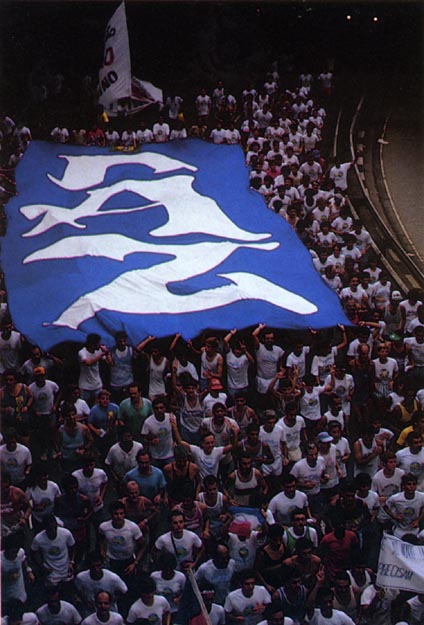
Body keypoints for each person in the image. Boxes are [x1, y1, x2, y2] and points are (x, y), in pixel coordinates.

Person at [98, 500, 145, 579]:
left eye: (121, 513)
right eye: (116, 514)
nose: (119, 516)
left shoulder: (132, 527)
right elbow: (101, 539)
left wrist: (135, 563)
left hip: (128, 560)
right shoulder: (104, 527)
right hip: (112, 561)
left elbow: (143, 545)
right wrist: (102, 550)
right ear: (111, 514)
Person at [31, 514, 75, 585]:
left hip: (66, 569)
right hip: (51, 572)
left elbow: (72, 547)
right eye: (49, 529)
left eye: (54, 528)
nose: (52, 531)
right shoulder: (38, 539)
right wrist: (42, 566)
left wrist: (71, 562)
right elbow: (33, 552)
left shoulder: (66, 534)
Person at [384, 473, 424, 538]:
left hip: (414, 530)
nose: (412, 486)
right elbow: (385, 506)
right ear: (404, 486)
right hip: (399, 531)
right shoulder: (395, 498)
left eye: (414, 484)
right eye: (409, 484)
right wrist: (394, 516)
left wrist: (418, 520)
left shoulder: (421, 496)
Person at [1, 532, 34, 607]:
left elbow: (23, 560)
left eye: (16, 551)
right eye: (13, 552)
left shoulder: (20, 553)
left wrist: (29, 571)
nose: (15, 554)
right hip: (5, 597)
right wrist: (7, 578)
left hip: (20, 594)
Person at [78, 334, 111, 405]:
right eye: (98, 343)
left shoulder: (99, 351)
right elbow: (87, 362)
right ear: (92, 345)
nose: (99, 345)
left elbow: (109, 362)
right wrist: (101, 355)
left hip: (97, 385)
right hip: (85, 386)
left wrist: (107, 353)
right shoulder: (82, 352)